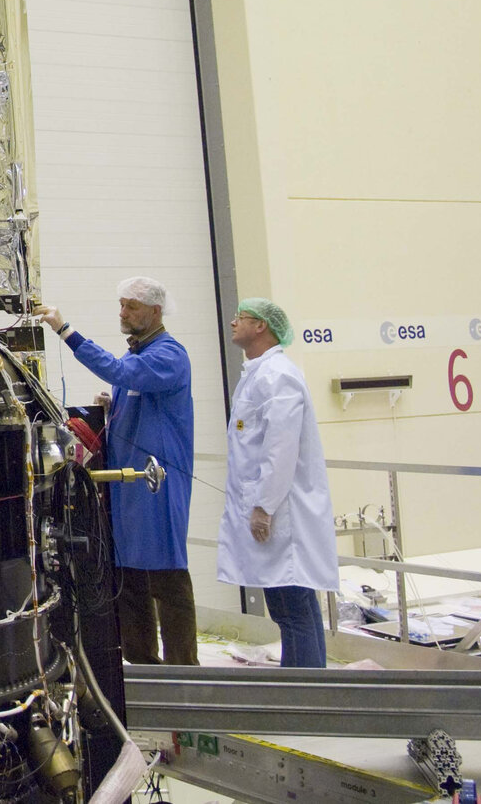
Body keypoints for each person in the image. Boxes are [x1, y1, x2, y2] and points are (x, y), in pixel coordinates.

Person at [37, 277, 197, 666]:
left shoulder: (168, 355)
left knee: (166, 574)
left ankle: (184, 673)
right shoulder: (140, 355)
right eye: (122, 305)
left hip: (156, 482)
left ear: (156, 311)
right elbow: (130, 383)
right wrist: (113, 407)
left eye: (132, 307)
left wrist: (66, 331)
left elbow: (121, 371)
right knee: (128, 575)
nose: (123, 313)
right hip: (128, 484)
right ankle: (142, 663)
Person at [218, 298, 337, 667]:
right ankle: (309, 691)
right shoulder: (258, 374)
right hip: (270, 509)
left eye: (243, 317)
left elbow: (281, 449)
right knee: (290, 609)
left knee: (293, 608)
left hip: (282, 514)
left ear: (262, 327)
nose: (234, 322)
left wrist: (263, 507)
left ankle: (305, 696)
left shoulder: (277, 376)